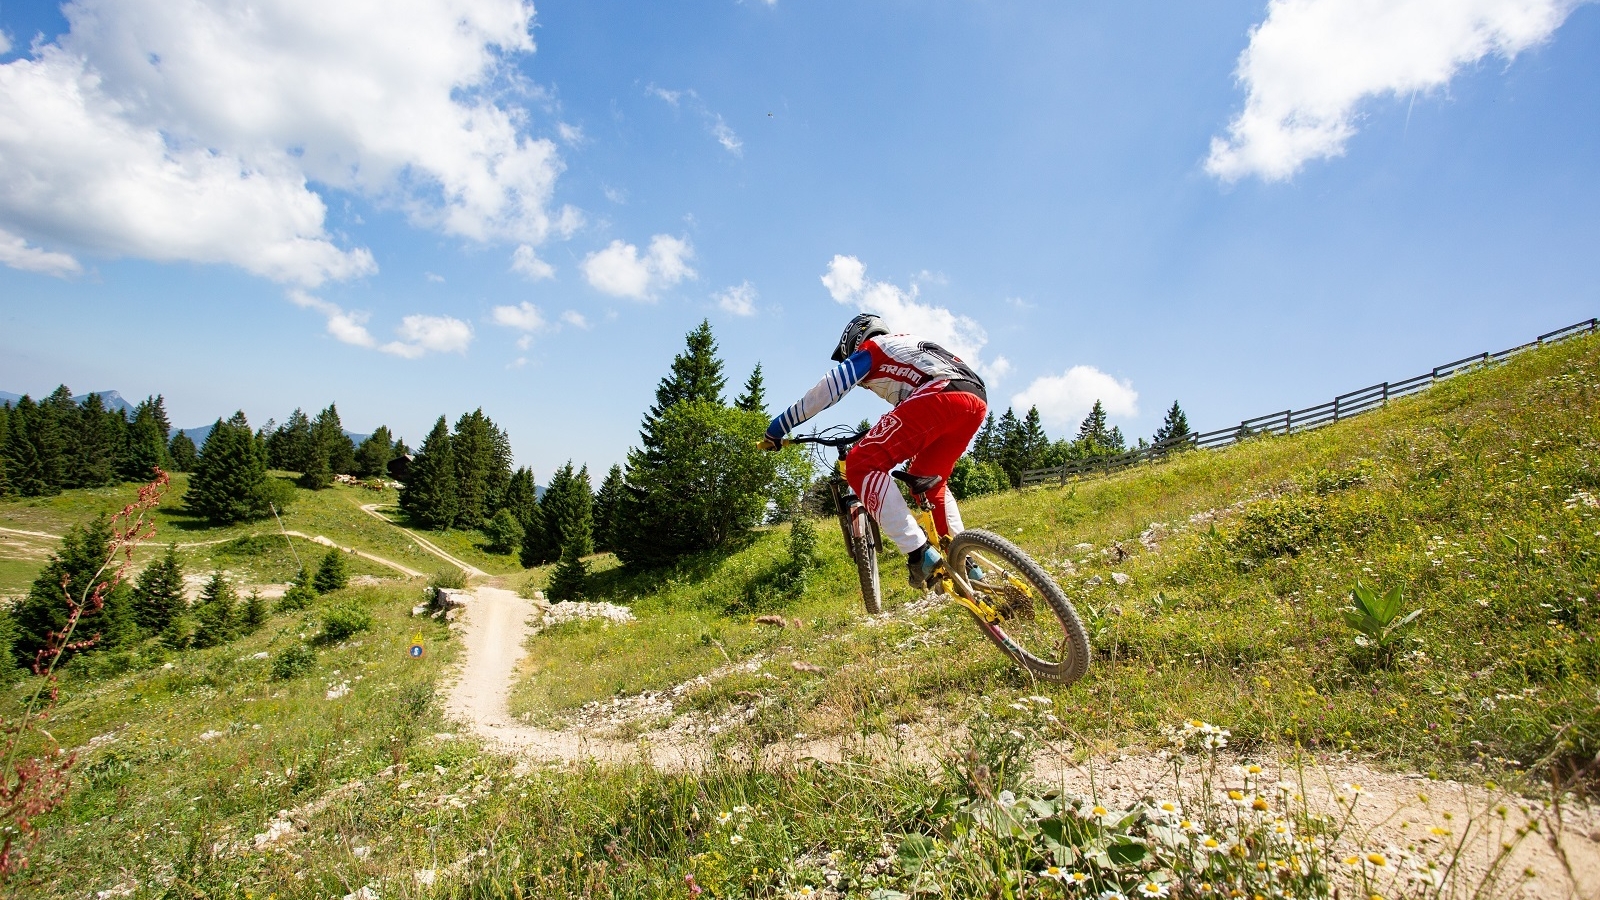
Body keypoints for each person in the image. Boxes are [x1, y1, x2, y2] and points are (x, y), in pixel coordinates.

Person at [761, 313, 988, 589]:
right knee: (928, 480)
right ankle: (966, 562)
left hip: (940, 393)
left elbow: (826, 390)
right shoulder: (909, 345)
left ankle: (919, 554)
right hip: (974, 397)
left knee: (860, 464)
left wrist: (777, 428)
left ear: (856, 341)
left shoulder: (873, 349)